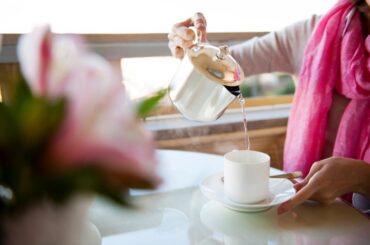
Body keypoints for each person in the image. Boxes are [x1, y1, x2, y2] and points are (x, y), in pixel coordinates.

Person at [168, 0, 370, 215]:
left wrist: (363, 178)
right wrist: (194, 48)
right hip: (301, 213)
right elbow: (229, 65)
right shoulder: (317, 33)